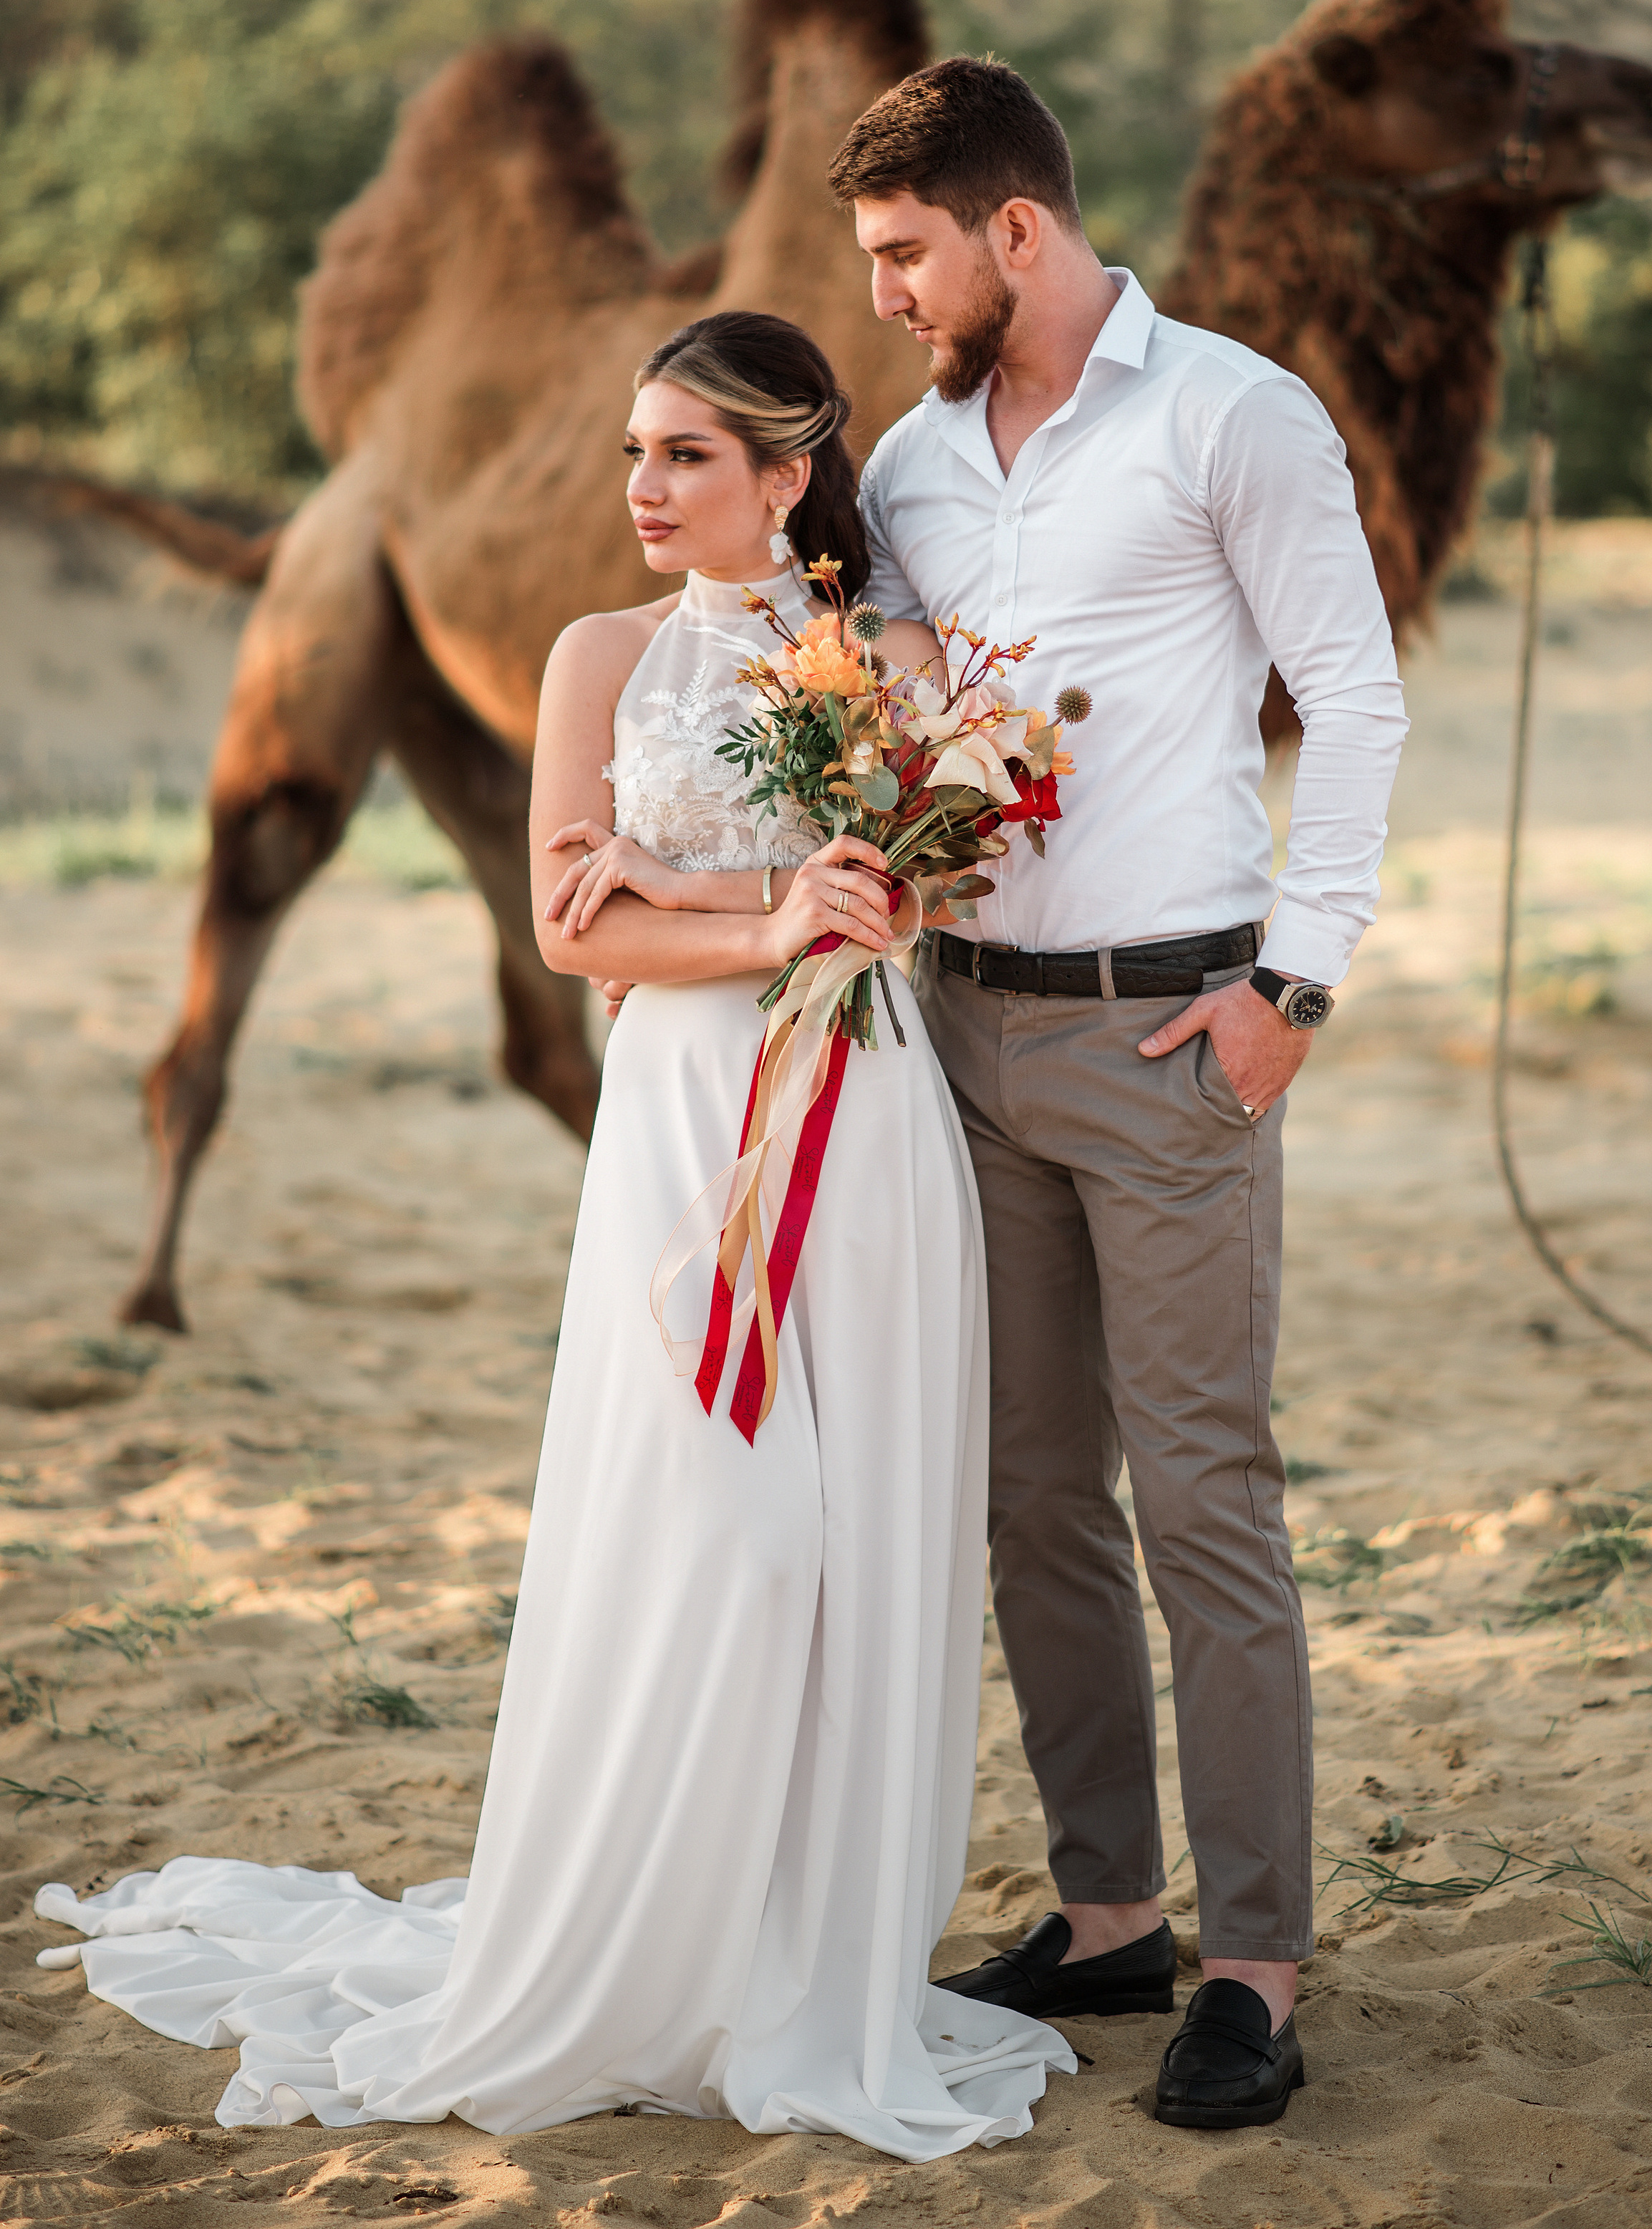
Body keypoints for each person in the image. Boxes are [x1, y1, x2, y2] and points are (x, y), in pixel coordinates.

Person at [34, 311, 1075, 2160]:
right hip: (681, 1123)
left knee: (858, 1551)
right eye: (634, 452)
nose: (642, 488)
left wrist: (692, 879)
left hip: (862, 1122)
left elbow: (907, 899)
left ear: (788, 471)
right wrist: (755, 917)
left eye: (686, 454)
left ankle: (805, 1965)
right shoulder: (598, 654)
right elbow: (568, 925)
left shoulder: (899, 662)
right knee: (725, 1529)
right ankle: (641, 1948)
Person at [826, 59, 1409, 2130]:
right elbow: (902, 719)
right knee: (1032, 1498)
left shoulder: (1232, 414)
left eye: (906, 253)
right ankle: (1107, 1916)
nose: (885, 295)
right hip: (966, 1039)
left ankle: (1254, 1963)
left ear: (1017, 227)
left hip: (1176, 1038)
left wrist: (1293, 986)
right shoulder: (909, 463)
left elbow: (1356, 696)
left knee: (1204, 1500)